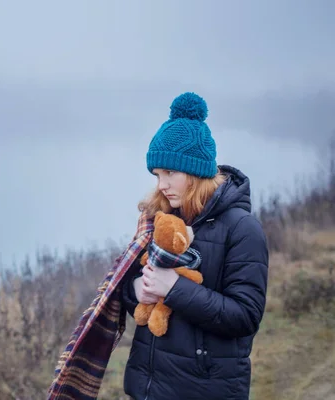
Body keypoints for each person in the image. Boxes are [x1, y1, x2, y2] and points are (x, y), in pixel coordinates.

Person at [120, 92, 269, 400]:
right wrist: (138, 289)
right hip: (147, 388)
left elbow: (245, 316)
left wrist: (174, 288)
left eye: (170, 172)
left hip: (203, 391)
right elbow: (127, 289)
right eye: (158, 174)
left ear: (196, 172)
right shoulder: (160, 221)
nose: (161, 184)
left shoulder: (243, 229)